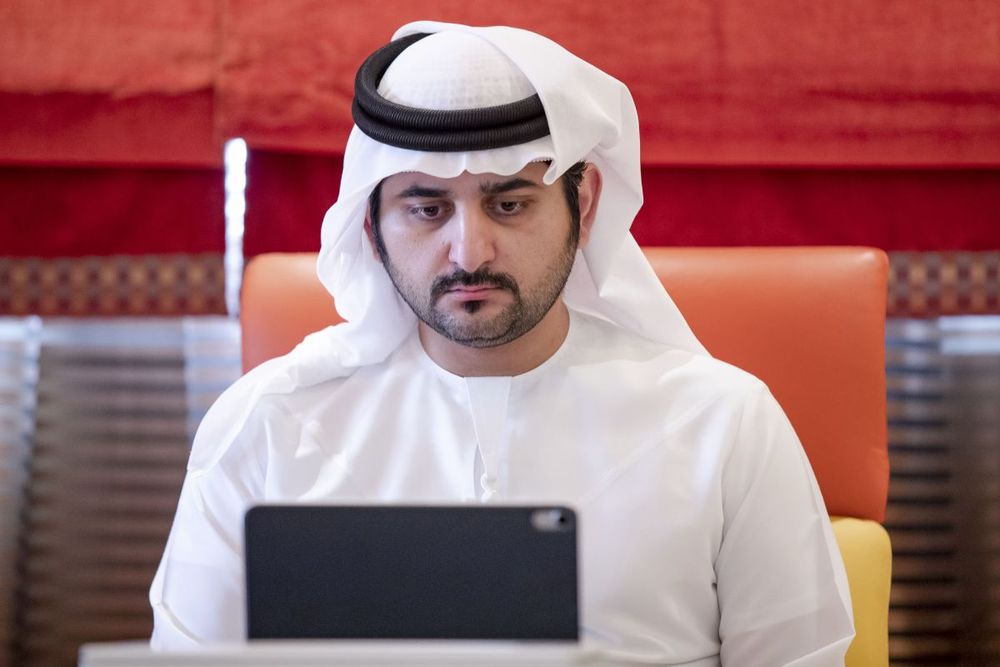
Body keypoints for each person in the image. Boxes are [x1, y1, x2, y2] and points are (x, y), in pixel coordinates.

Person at [150, 21, 854, 665]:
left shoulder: (724, 423)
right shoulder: (267, 426)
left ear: (583, 204)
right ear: (371, 227)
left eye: (509, 203)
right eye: (427, 209)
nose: (470, 251)